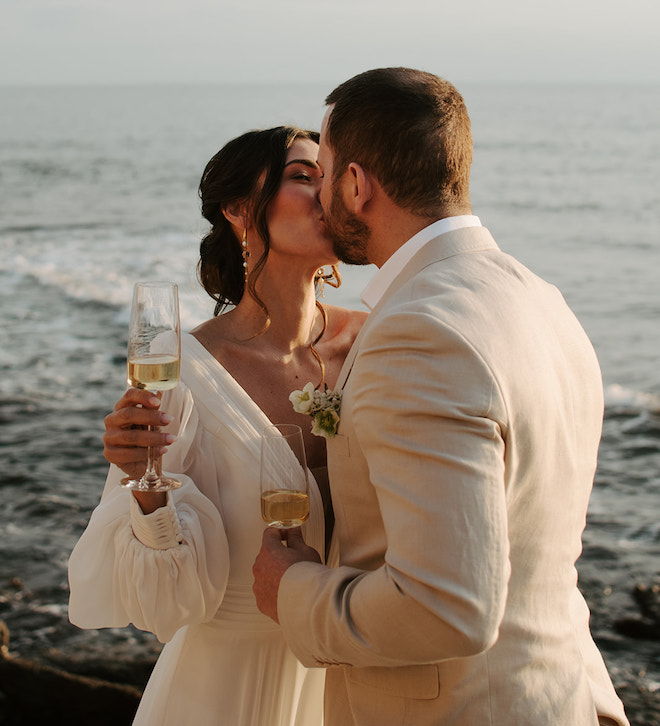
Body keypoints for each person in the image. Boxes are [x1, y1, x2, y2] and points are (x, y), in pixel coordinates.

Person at [252, 68, 630, 726]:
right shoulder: (542, 301)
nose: (318, 200)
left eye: (326, 172)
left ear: (357, 185)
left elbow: (445, 608)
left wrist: (291, 589)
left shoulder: (417, 333)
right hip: (553, 694)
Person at [68, 125, 367, 726]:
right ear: (237, 209)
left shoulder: (374, 342)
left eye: (332, 178)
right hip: (225, 693)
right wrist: (143, 483)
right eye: (304, 177)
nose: (327, 195)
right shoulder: (184, 372)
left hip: (357, 678)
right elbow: (164, 606)